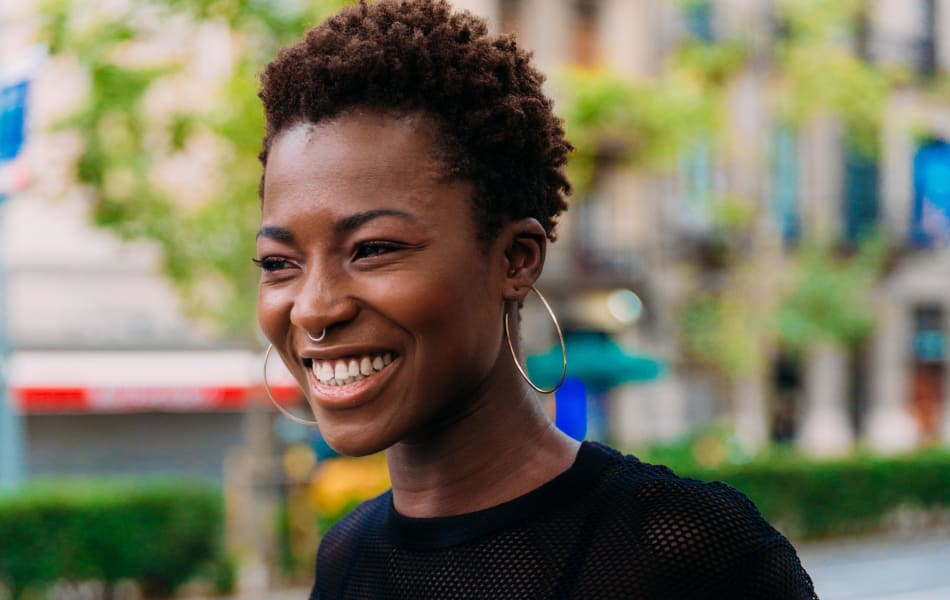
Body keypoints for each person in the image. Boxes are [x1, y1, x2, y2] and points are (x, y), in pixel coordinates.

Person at [254, 1, 818, 597]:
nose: (313, 309)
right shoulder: (346, 558)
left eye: (371, 249)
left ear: (515, 259)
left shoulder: (690, 553)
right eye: (278, 264)